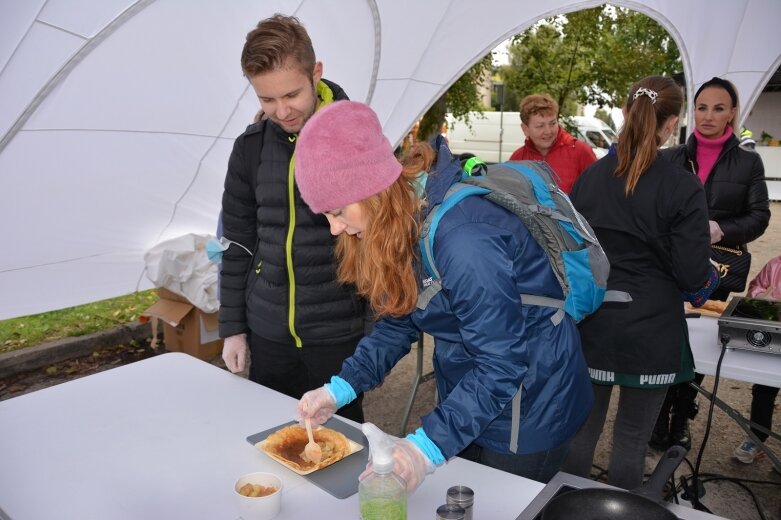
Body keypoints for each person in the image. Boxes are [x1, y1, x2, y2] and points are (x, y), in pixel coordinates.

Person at [294, 100, 593, 490]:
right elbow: (401, 317)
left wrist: (425, 448)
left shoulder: (463, 240)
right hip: (471, 395)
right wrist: (339, 389)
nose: (334, 229)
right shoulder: (402, 220)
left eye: (337, 212)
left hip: (532, 406)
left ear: (370, 190)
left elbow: (501, 364)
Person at [560, 76, 719, 490]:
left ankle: (565, 510)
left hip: (593, 323)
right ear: (672, 124)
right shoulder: (682, 185)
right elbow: (691, 275)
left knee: (580, 435)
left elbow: (573, 258)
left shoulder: (591, 177)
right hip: (650, 329)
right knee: (630, 443)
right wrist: (710, 265)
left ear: (627, 113)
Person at [217, 14, 367, 422]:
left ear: (316, 73)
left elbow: (381, 235)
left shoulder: (356, 137)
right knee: (273, 440)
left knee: (343, 447)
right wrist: (233, 327)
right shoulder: (248, 149)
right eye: (266, 99)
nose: (281, 110)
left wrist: (373, 331)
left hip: (337, 333)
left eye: (292, 95)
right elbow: (237, 242)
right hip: (269, 332)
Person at [652, 77, 771, 451]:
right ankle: (658, 416)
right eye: (702, 107)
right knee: (665, 342)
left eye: (718, 108)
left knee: (699, 349)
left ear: (733, 112)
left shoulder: (749, 162)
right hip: (668, 268)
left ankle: (681, 416)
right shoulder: (670, 157)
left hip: (715, 272)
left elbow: (760, 217)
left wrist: (722, 228)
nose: (708, 115)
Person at [733, 255, 781, 465]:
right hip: (775, 339)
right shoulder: (776, 264)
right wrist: (764, 298)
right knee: (764, 389)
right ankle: (757, 437)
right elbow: (753, 294)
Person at [509, 93, 596, 193]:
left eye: (552, 123)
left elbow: (598, 193)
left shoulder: (581, 151)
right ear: (525, 129)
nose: (548, 131)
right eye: (540, 126)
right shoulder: (517, 159)